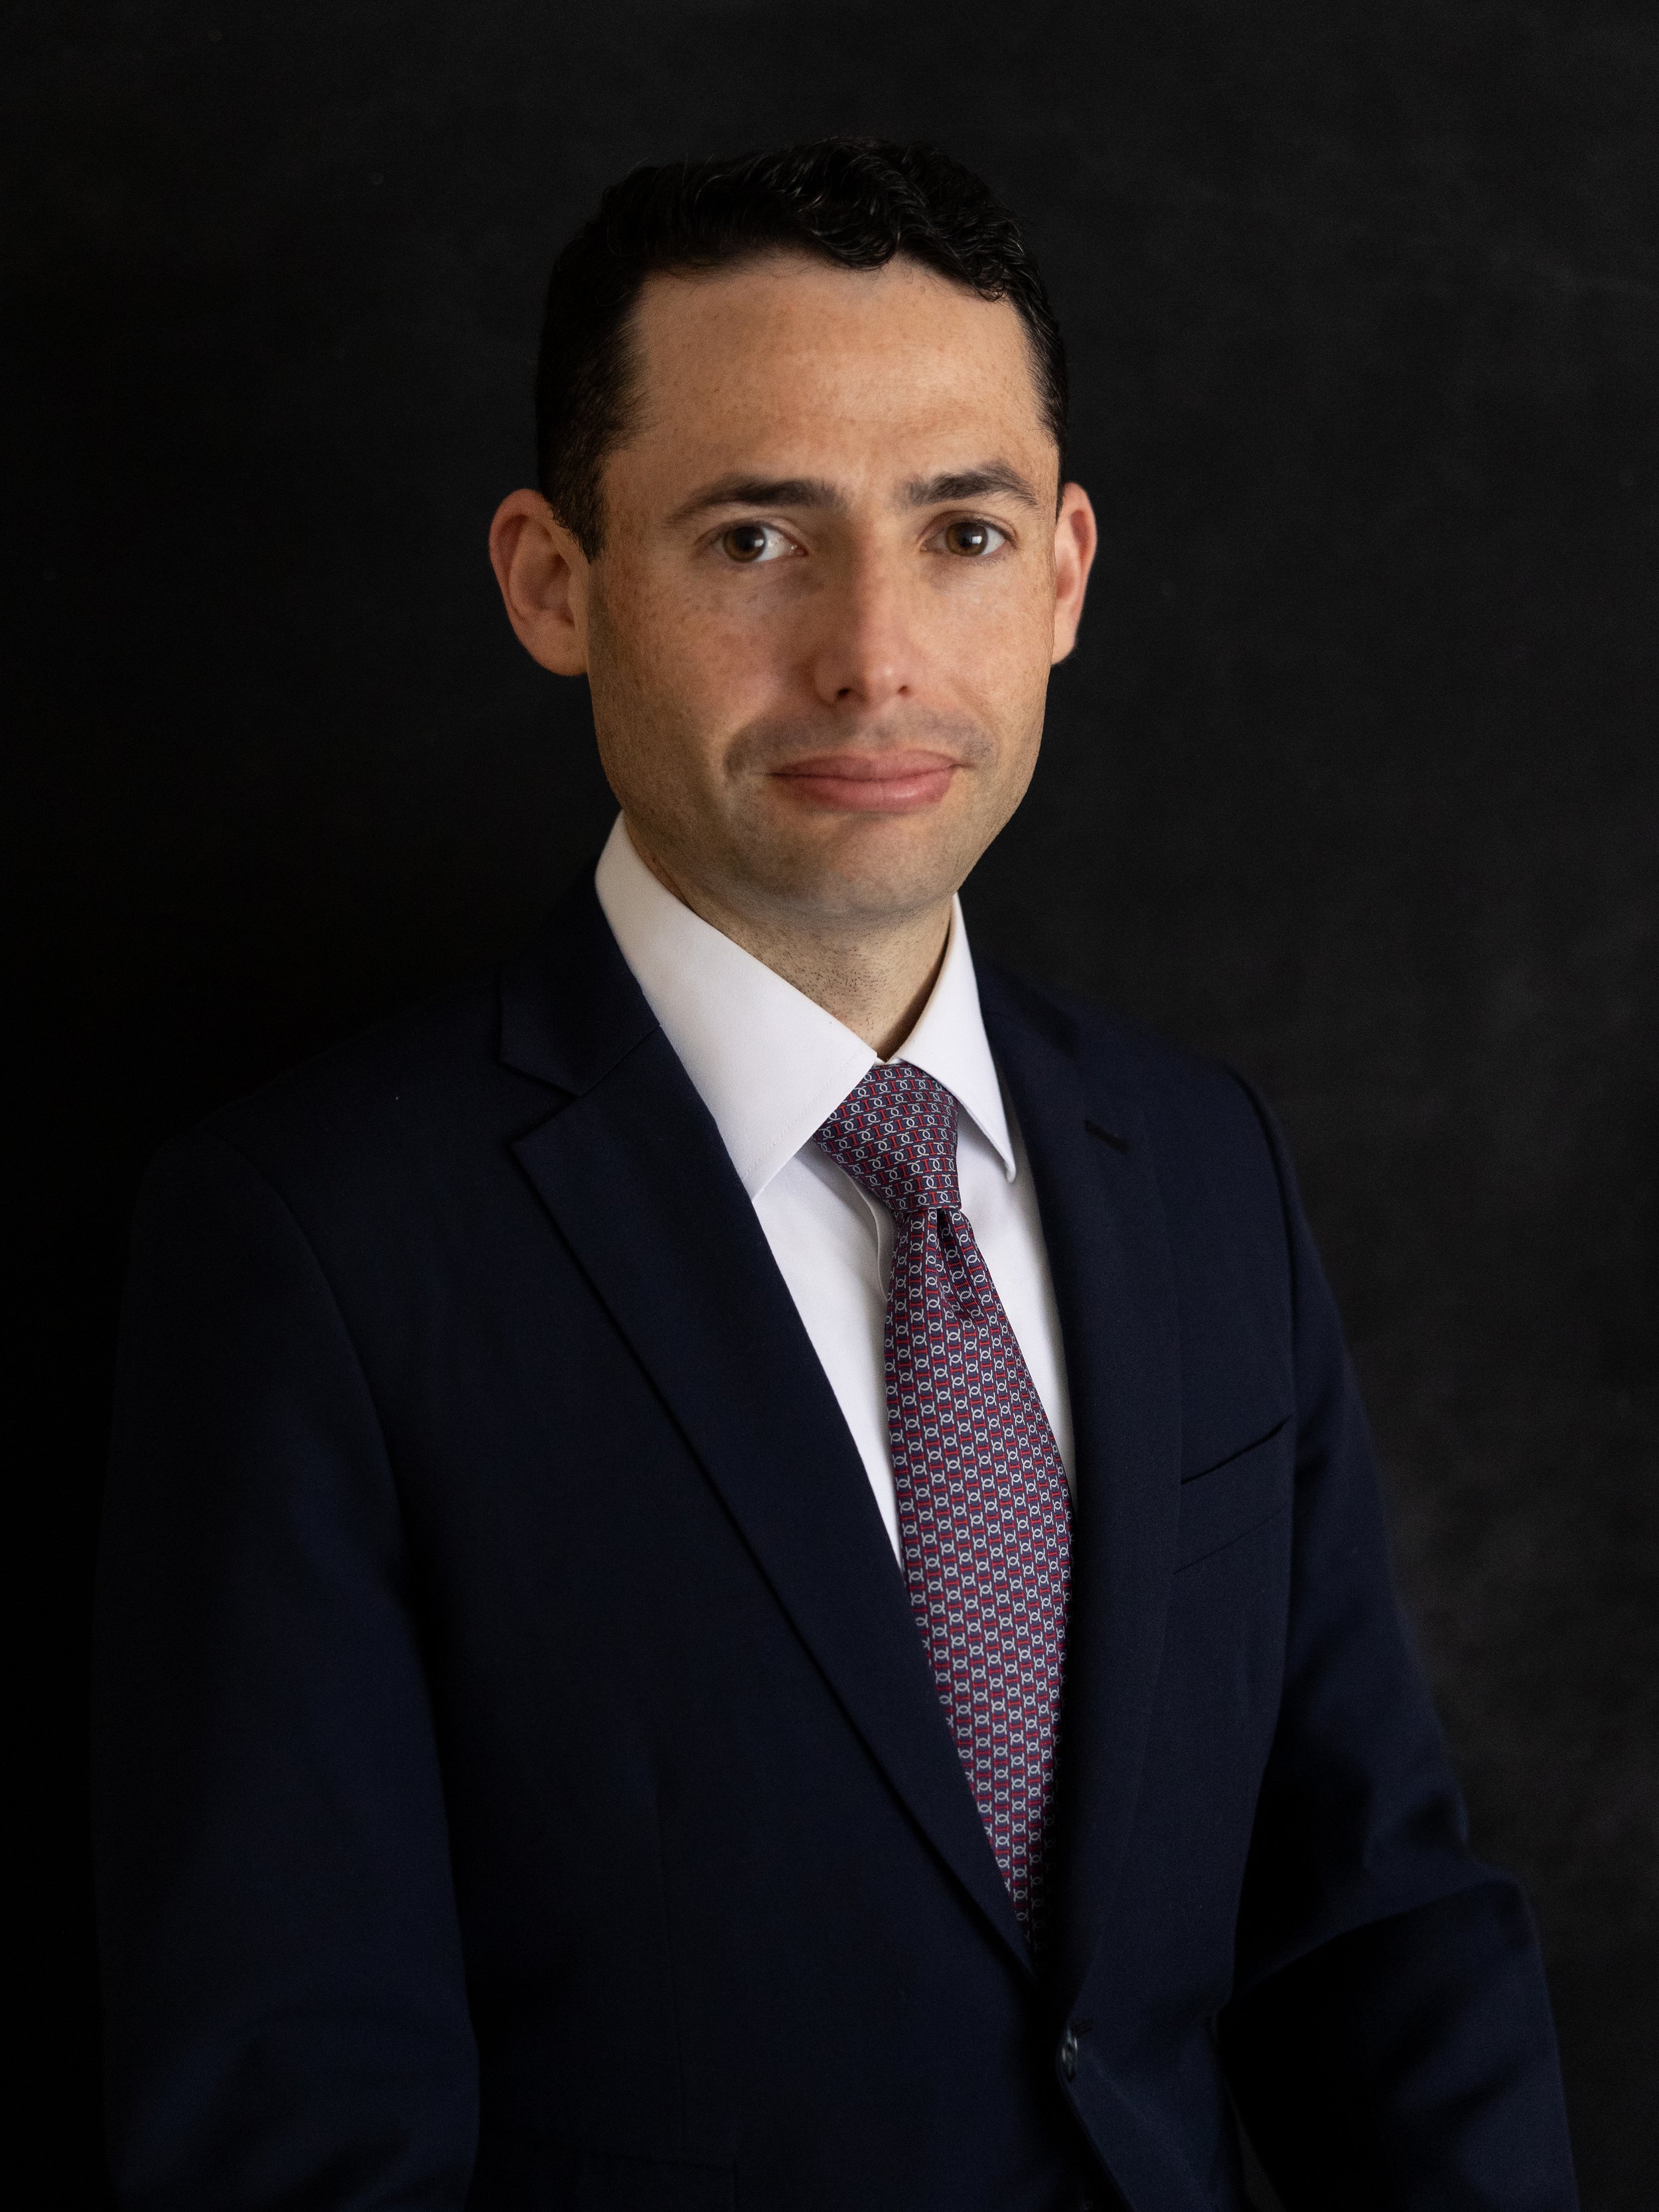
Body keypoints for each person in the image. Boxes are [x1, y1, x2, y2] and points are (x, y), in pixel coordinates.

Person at [94, 139, 1577, 2212]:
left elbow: (1373, 1925)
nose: (875, 658)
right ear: (552, 578)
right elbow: (297, 2110)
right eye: (754, 537)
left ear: (1061, 571)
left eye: (958, 530)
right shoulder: (313, 1247)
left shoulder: (1199, 1163)